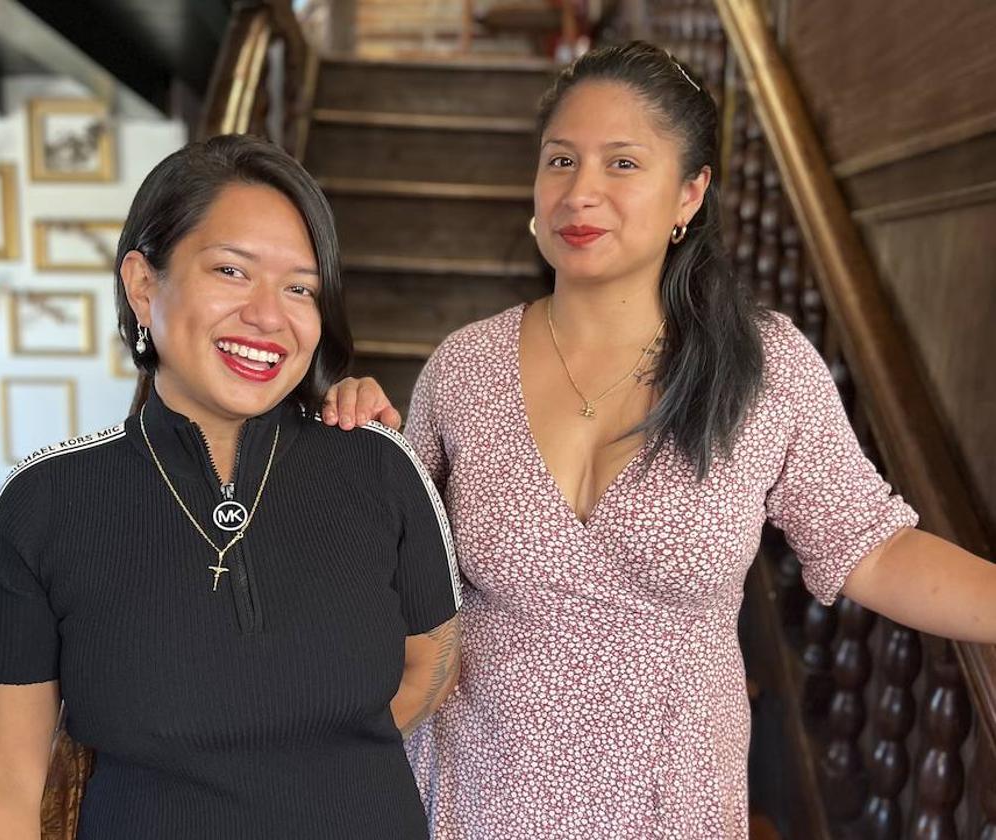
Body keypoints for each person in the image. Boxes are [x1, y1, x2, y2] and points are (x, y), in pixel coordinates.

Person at [322, 42, 996, 838]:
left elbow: (870, 547)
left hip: (667, 803)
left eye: (623, 164)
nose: (581, 193)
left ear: (690, 192)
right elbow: (385, 573)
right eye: (561, 160)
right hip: (475, 794)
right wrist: (350, 446)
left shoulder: (762, 363)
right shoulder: (465, 367)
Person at [0, 135, 462, 840]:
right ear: (142, 283)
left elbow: (429, 668)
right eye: (231, 270)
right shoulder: (45, 503)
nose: (268, 316)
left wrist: (281, 761)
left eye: (300, 288)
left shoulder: (378, 468)